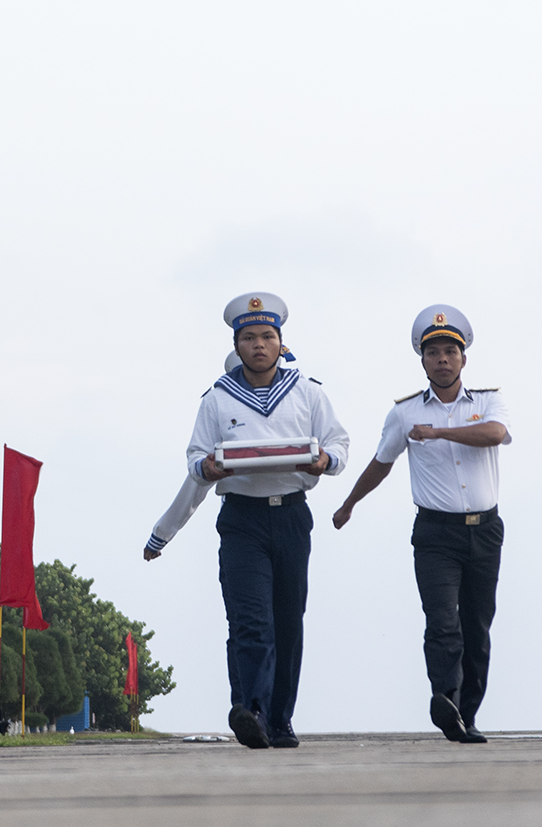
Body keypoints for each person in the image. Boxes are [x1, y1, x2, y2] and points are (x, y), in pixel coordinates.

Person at [151, 294, 349, 750]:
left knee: (287, 621)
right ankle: (251, 711)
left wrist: (326, 460)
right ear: (235, 345)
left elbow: (338, 444)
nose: (259, 345)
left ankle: (280, 720)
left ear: (281, 343)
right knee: (250, 619)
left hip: (293, 514)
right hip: (242, 518)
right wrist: (208, 469)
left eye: (267, 337)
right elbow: (196, 458)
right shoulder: (218, 399)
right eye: (248, 338)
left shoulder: (308, 392)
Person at [332, 304, 510, 744]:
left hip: (484, 530)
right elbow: (382, 462)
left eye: (451, 351)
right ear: (423, 361)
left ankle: (467, 715)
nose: (443, 359)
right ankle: (444, 698)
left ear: (464, 359)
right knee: (441, 621)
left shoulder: (488, 402)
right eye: (434, 353)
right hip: (436, 534)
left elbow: (494, 434)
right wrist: (349, 503)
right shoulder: (405, 413)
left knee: (477, 625)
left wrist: (440, 433)